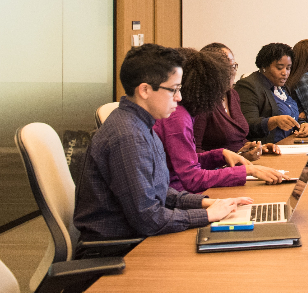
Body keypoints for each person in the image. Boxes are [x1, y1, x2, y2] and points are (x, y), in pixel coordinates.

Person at [73, 44, 249, 240]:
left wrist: (206, 203)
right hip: (121, 247)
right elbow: (149, 218)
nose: (179, 97)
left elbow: (161, 192)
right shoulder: (128, 137)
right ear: (145, 90)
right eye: (173, 90)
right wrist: (207, 215)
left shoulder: (142, 124)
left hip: (138, 236)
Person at [153, 48, 286, 192]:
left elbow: (188, 159)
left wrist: (220, 154)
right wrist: (249, 171)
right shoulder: (178, 117)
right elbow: (192, 178)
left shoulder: (184, 112)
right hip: (180, 196)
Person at [193, 44, 276, 160]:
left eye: (234, 66)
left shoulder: (232, 94)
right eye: (227, 67)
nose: (233, 72)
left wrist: (254, 147)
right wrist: (235, 158)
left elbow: (238, 139)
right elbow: (193, 152)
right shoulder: (201, 102)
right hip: (217, 172)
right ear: (210, 69)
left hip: (239, 166)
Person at [236, 43, 308, 143]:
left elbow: (290, 115)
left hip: (289, 144)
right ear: (264, 67)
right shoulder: (248, 86)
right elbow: (246, 125)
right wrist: (273, 121)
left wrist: (302, 124)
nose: (285, 73)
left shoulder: (282, 87)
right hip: (265, 150)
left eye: (288, 68)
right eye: (280, 68)